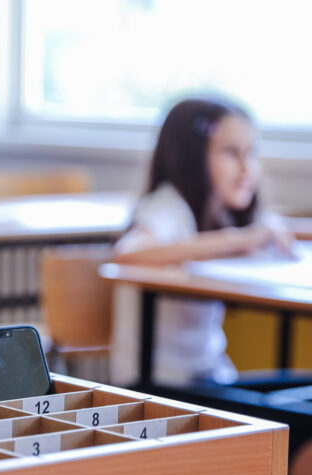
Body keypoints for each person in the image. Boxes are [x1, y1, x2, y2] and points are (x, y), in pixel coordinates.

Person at [110, 97, 295, 387]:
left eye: (251, 152)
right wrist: (233, 240)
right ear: (192, 158)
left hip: (210, 378)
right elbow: (126, 255)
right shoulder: (167, 207)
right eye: (231, 153)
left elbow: (269, 226)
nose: (247, 168)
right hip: (160, 387)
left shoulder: (222, 215)